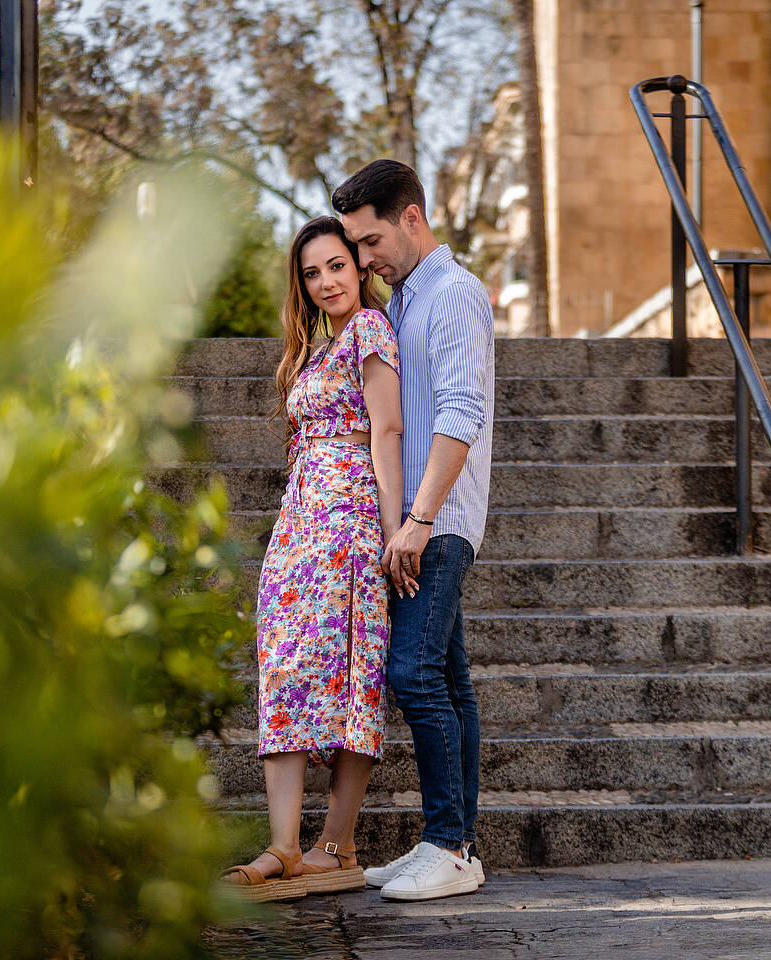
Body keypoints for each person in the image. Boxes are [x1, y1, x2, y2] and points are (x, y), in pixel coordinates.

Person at [218, 216, 408, 902]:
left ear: (359, 269)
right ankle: (284, 845)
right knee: (285, 671)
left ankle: (336, 842)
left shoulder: (370, 332)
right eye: (312, 272)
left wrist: (396, 532)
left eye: (336, 265)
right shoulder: (307, 353)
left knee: (353, 671)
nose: (326, 280)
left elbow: (386, 429)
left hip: (352, 522)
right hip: (298, 529)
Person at [333, 159, 494, 902]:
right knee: (451, 683)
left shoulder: (454, 295)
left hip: (440, 523)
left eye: (370, 242)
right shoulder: (402, 305)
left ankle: (448, 844)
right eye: (354, 248)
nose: (365, 261)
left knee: (413, 675)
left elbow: (462, 413)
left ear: (413, 217)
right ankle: (455, 842)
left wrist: (420, 520)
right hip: (415, 524)